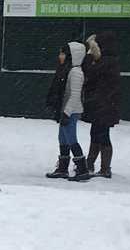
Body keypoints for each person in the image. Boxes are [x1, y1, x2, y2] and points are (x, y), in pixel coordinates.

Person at [45, 42, 89, 180]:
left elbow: (75, 96)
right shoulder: (67, 70)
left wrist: (67, 112)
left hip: (71, 111)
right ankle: (63, 168)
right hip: (66, 110)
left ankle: (82, 169)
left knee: (71, 139)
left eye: (63, 53)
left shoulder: (76, 72)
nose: (60, 56)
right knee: (63, 139)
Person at [82, 32, 121, 179]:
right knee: (96, 133)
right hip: (103, 104)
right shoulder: (109, 60)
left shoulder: (107, 61)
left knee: (102, 135)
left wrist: (89, 55)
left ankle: (104, 168)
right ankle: (91, 164)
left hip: (104, 105)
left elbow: (91, 72)